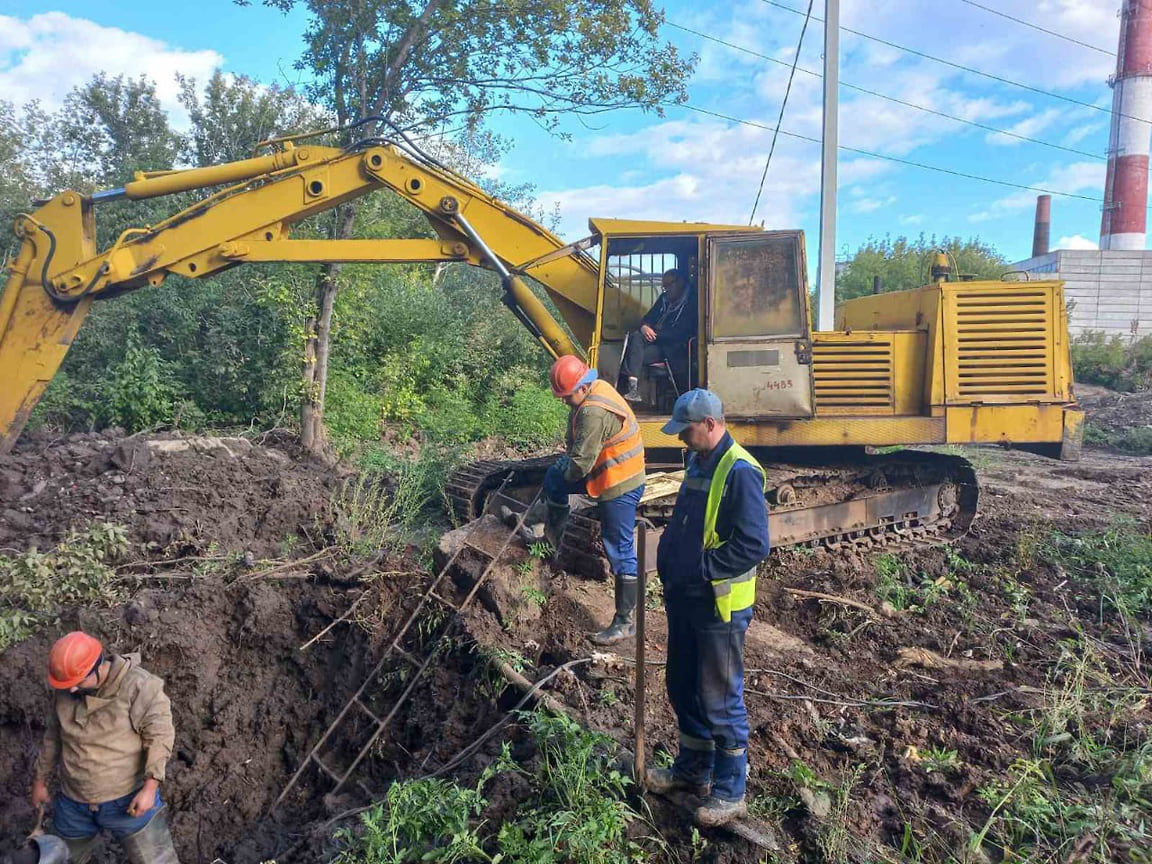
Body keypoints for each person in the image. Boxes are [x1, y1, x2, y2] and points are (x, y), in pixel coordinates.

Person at [644, 389, 770, 827]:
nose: (681, 439)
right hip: (686, 599)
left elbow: (754, 543)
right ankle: (692, 772)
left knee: (719, 698)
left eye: (687, 430)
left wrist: (701, 569)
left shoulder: (740, 471)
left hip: (719, 607)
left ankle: (730, 790)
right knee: (682, 686)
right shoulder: (699, 462)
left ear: (711, 424)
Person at [517, 355, 646, 645]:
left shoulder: (593, 411)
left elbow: (579, 465)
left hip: (619, 482)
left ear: (582, 387)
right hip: (608, 472)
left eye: (566, 396)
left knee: (620, 548)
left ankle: (625, 623)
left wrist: (563, 470)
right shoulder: (592, 390)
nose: (564, 402)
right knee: (553, 479)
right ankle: (551, 541)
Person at [30, 631, 178, 864]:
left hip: (128, 800)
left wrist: (150, 789)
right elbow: (53, 738)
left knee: (157, 860)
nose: (71, 690)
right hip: (73, 803)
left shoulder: (139, 686)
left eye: (78, 682)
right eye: (67, 684)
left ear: (98, 667)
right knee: (60, 859)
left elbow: (159, 736)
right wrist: (40, 780)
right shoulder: (68, 690)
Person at [620, 269, 697, 402]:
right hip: (658, 344)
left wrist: (656, 333)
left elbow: (681, 332)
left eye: (669, 286)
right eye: (664, 286)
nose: (666, 290)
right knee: (636, 339)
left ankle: (627, 389)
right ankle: (632, 389)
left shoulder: (692, 301)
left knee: (633, 355)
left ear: (680, 283)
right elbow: (648, 317)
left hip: (675, 349)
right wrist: (645, 326)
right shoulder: (664, 298)